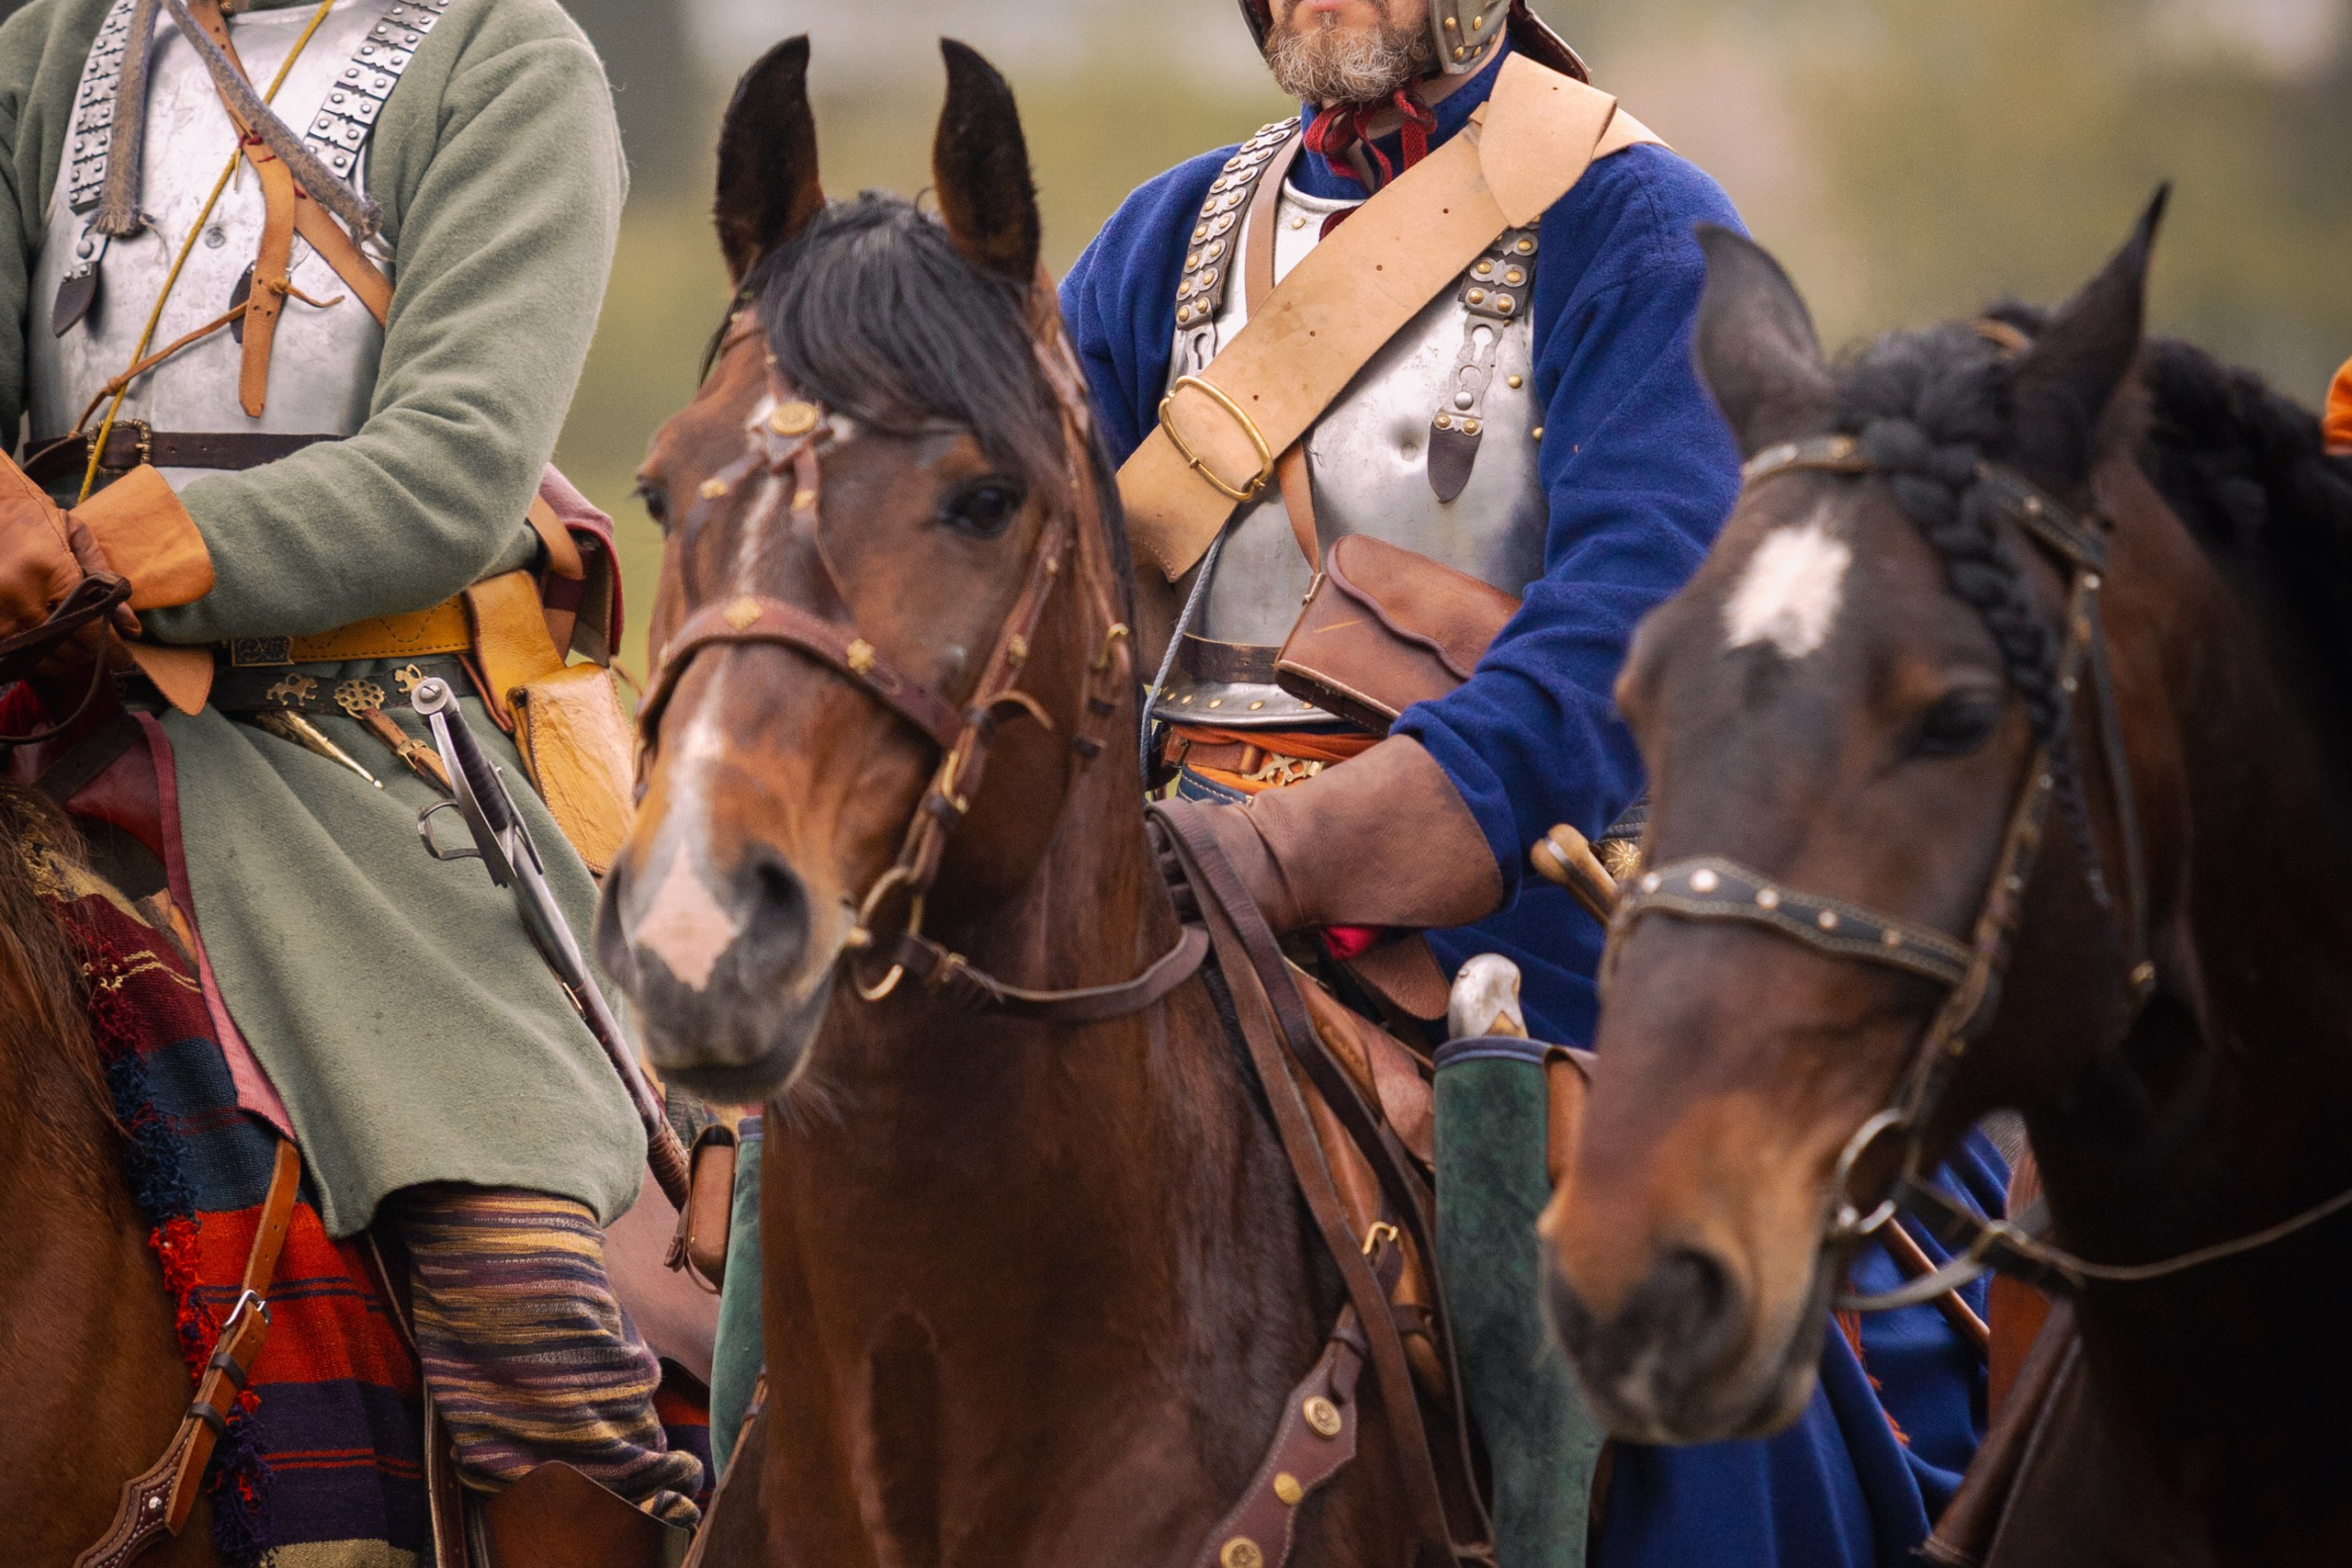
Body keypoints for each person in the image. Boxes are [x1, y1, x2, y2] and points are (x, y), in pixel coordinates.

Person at [1060, 2, 2007, 1563]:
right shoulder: (1164, 238)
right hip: (1159, 891)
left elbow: (1624, 641)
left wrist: (1303, 854)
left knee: (1659, 1295)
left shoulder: (1637, 222)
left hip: (1524, 920)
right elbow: (1034, 595)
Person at [0, 0, 699, 1556]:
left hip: (357, 758)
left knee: (524, 1316)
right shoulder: (42, 50)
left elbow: (451, 465)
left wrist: (100, 554)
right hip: (31, 713)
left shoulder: (507, 62)